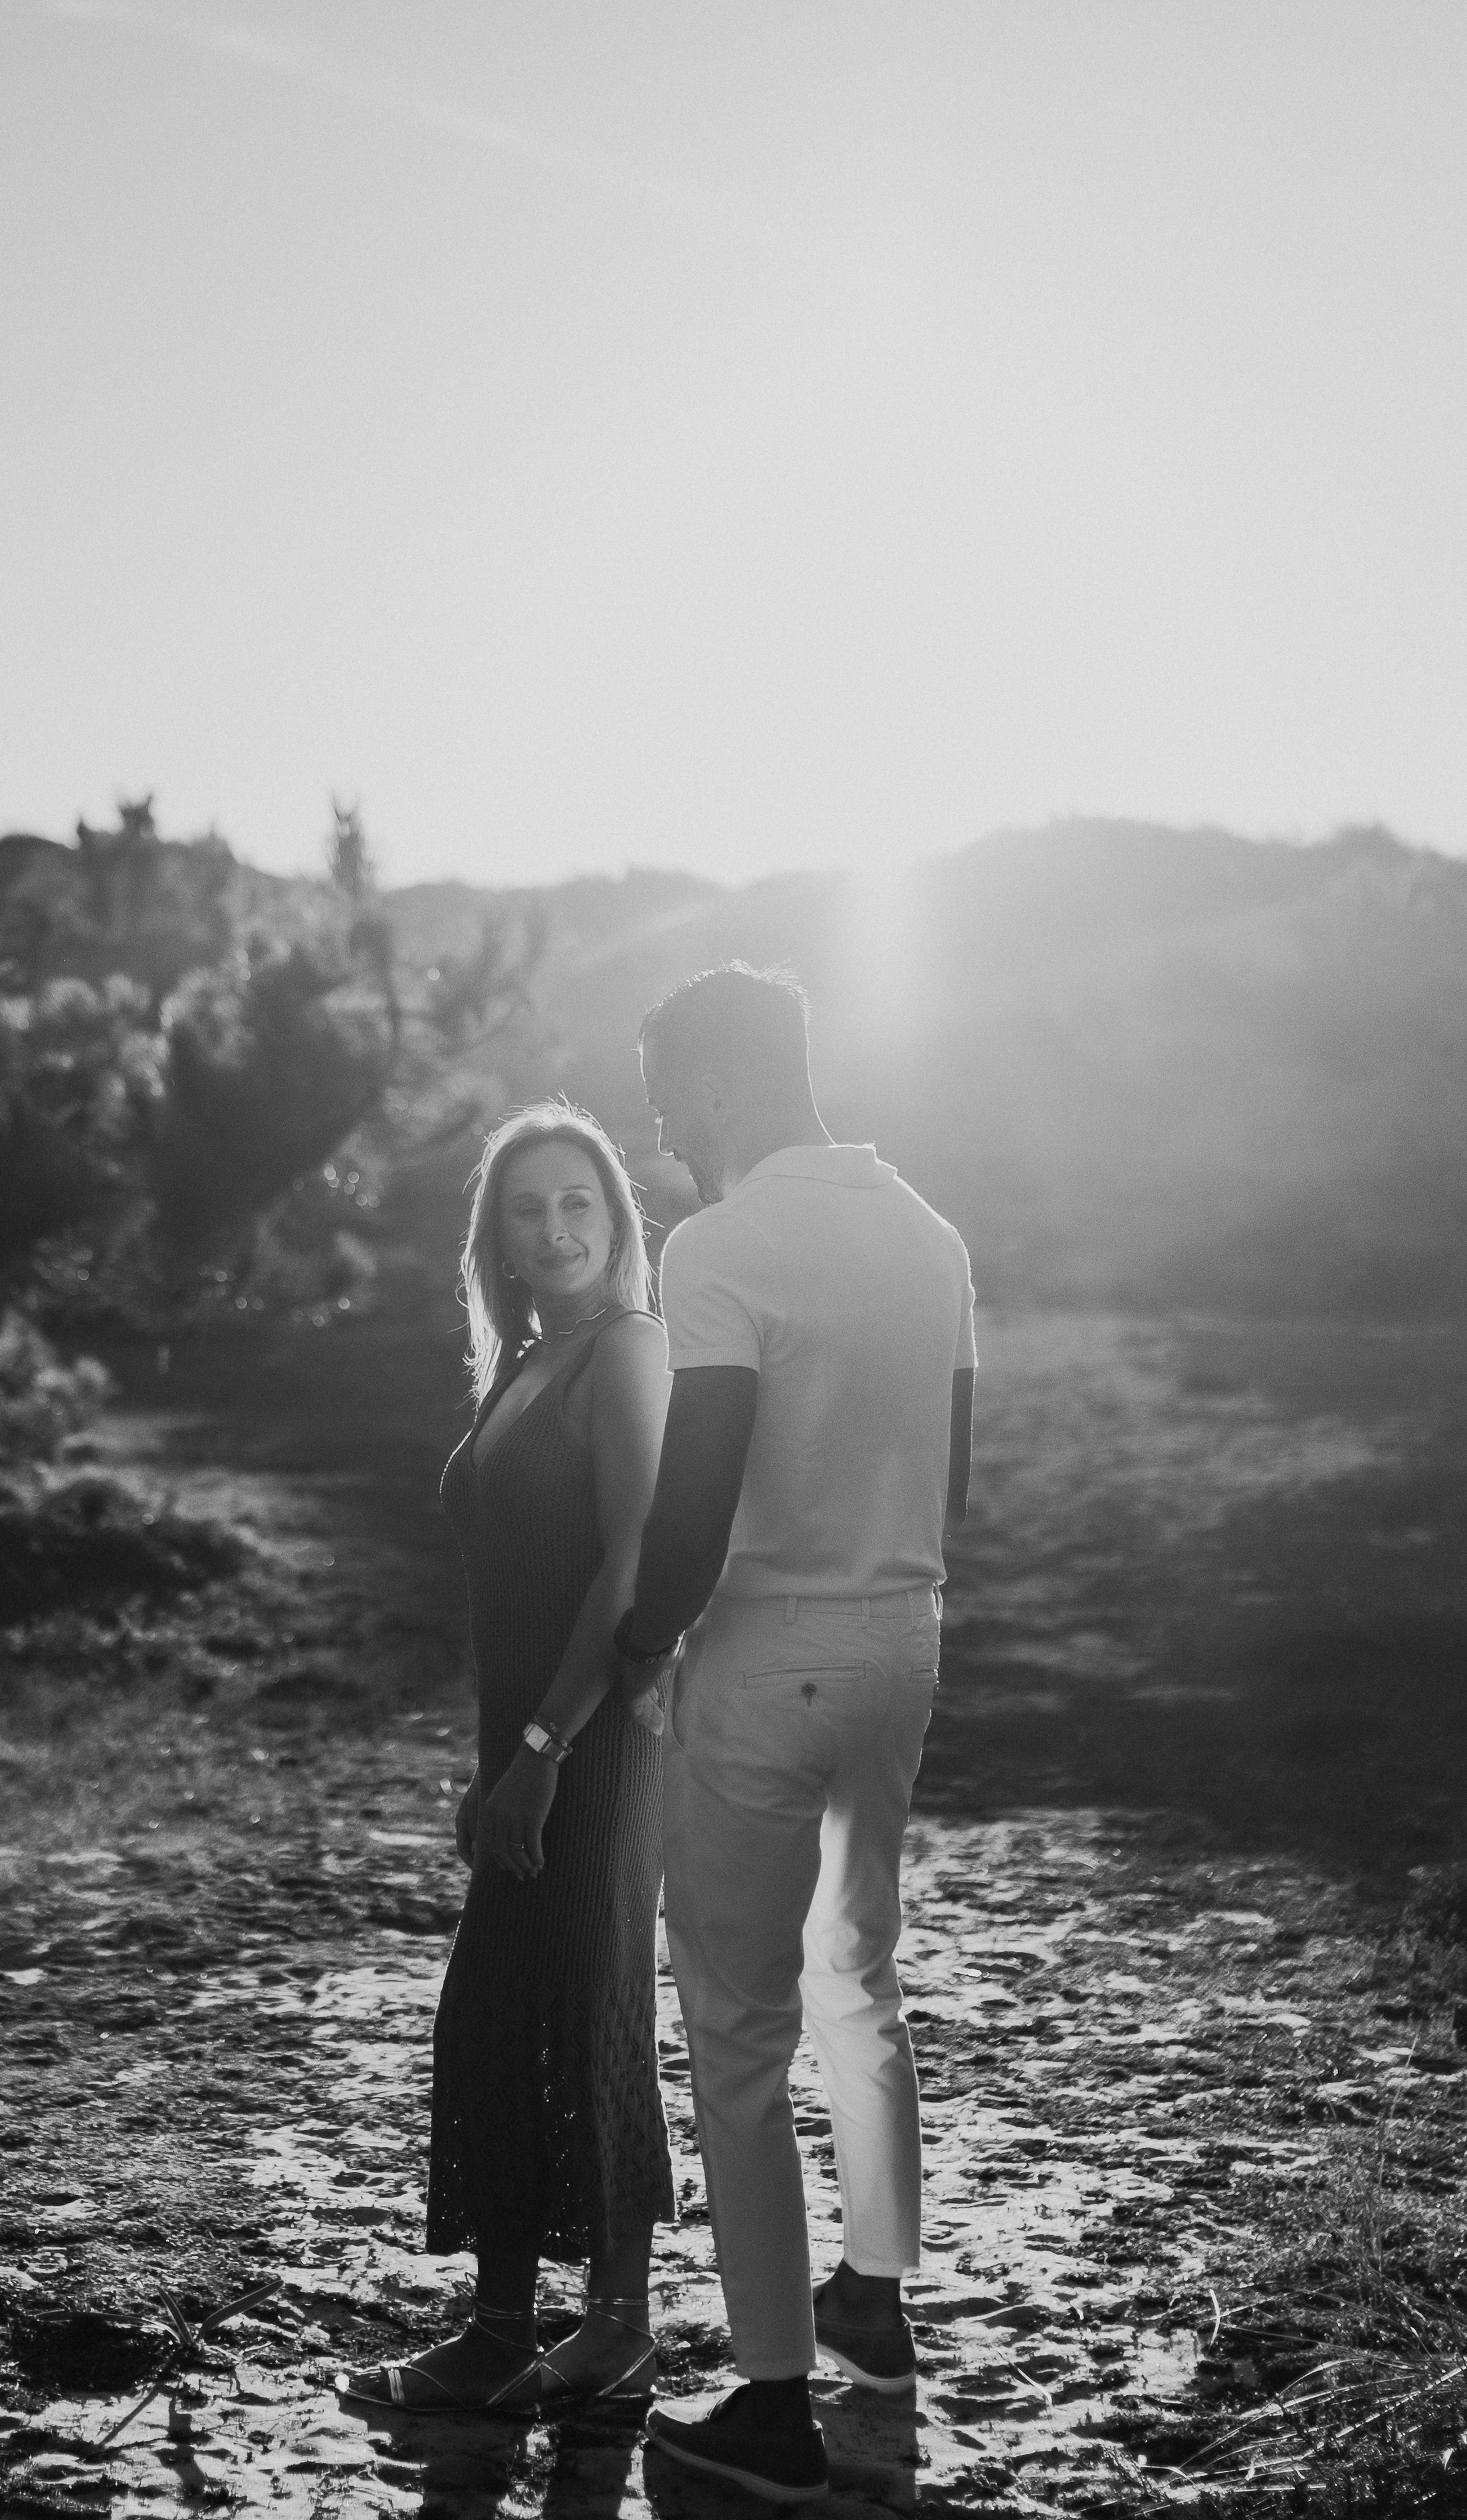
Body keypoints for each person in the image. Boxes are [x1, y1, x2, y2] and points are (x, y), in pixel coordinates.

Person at [610, 965, 976, 2505]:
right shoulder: (930, 1234)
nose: (662, 1138)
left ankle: (768, 2399)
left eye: (664, 1104)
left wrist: (628, 1656)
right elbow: (950, 1480)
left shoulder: (720, 1246)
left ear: (715, 1088)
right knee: (860, 1975)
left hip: (767, 1666)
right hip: (901, 1644)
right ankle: (870, 2303)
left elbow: (688, 1518)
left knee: (737, 2026)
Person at [340, 1101, 675, 2416]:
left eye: (577, 1204)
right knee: (492, 2016)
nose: (555, 1228)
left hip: (592, 1749)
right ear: (499, 1237)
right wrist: (492, 1766)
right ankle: (497, 2328)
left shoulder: (629, 1350)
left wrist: (542, 1751)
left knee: (592, 2010)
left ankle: (617, 2331)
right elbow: (514, 1587)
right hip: (521, 1748)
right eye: (527, 1209)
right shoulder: (524, 1365)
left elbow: (629, 1567)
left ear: (612, 1221)